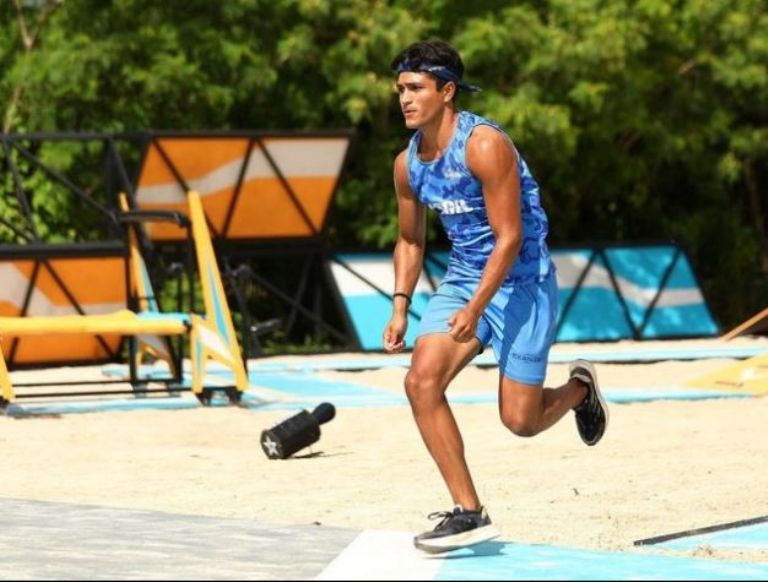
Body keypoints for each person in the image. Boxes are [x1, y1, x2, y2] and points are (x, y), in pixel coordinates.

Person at [382, 40, 609, 554]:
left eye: (415, 88)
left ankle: (579, 390)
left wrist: (476, 308)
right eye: (400, 90)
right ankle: (468, 511)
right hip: (465, 277)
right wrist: (400, 307)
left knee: (521, 421)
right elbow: (411, 241)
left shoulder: (484, 145)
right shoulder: (407, 164)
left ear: (447, 91)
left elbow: (510, 238)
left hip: (523, 281)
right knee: (420, 380)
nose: (404, 99)